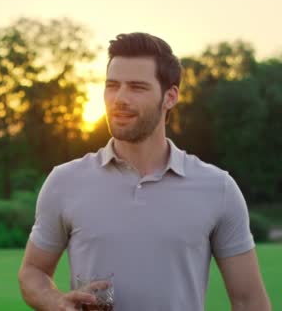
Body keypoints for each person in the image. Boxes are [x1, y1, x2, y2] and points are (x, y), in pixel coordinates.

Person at [18, 32, 271, 311]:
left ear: (170, 97)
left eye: (137, 87)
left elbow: (249, 301)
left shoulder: (218, 188)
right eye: (112, 86)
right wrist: (58, 303)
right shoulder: (64, 182)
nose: (120, 98)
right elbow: (33, 272)